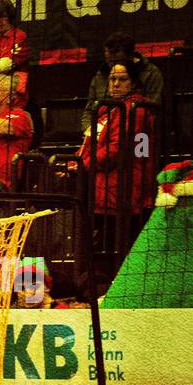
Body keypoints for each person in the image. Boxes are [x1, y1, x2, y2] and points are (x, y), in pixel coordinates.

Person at [79, 60, 157, 252]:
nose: (115, 84)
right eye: (112, 79)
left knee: (117, 248)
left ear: (134, 83)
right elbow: (91, 142)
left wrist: (84, 164)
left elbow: (117, 149)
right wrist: (77, 160)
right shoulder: (108, 109)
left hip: (122, 189)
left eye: (122, 79)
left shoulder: (136, 110)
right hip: (104, 187)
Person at [81, 33, 163, 134]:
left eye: (117, 61)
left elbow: (152, 111)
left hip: (135, 133)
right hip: (100, 133)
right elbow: (89, 111)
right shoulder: (100, 75)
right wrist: (91, 131)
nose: (112, 65)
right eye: (109, 61)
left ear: (131, 56)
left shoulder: (151, 73)